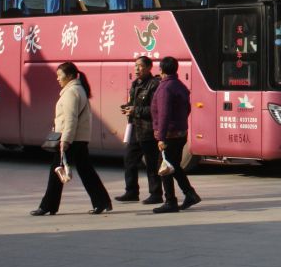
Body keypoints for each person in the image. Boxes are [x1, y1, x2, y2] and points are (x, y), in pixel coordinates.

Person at [31, 62, 112, 216]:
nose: (57, 79)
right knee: (86, 170)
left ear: (68, 76)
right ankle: (101, 201)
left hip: (70, 139)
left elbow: (71, 119)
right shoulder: (78, 89)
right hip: (78, 138)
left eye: (59, 76)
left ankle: (48, 206)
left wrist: (65, 140)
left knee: (57, 170)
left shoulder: (71, 92)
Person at [151, 56, 201, 212]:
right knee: (174, 166)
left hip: (169, 134)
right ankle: (190, 193)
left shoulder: (165, 88)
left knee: (164, 166)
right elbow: (187, 109)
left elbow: (164, 114)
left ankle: (171, 201)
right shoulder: (179, 85)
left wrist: (161, 137)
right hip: (180, 132)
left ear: (161, 70)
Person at [114, 57, 163, 205]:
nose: (136, 69)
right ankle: (131, 192)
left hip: (148, 130)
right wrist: (128, 107)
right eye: (135, 66)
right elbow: (134, 103)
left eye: (140, 66)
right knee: (129, 159)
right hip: (135, 128)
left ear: (149, 67)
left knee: (151, 163)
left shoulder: (154, 85)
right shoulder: (135, 84)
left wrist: (136, 110)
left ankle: (156, 194)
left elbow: (155, 110)